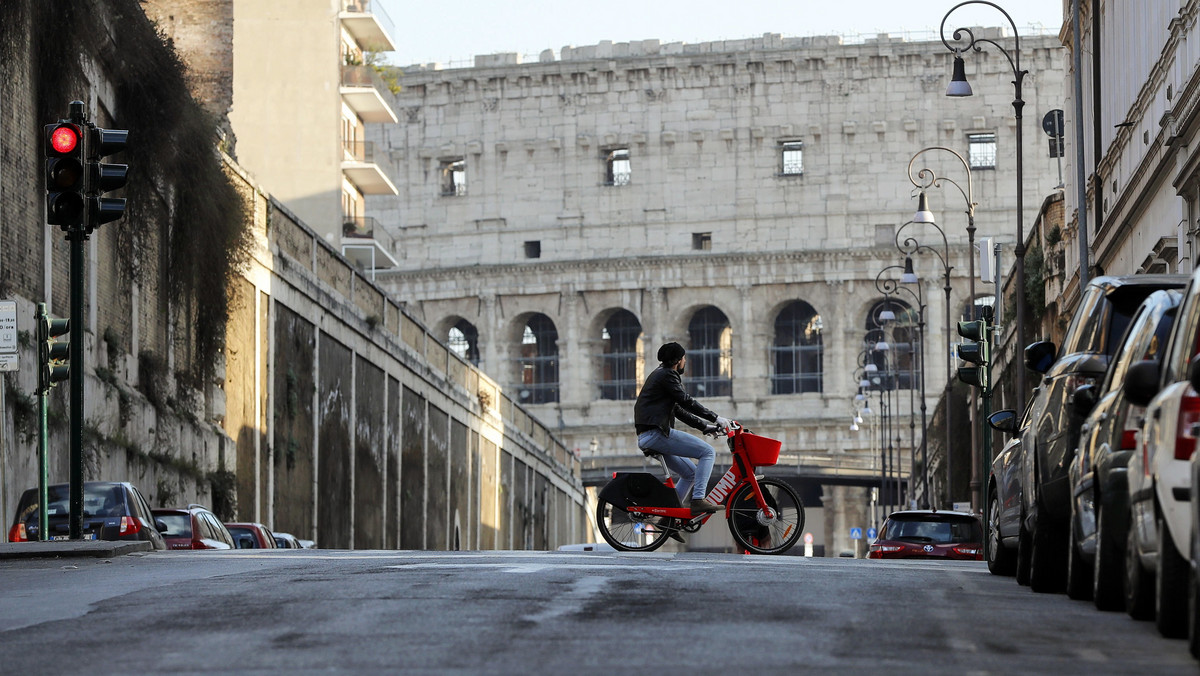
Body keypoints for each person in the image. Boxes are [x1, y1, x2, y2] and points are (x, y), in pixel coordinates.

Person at [633, 342, 733, 514]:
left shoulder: (659, 375)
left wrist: (705, 426)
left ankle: (669, 517)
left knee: (691, 474)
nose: (685, 362)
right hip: (656, 433)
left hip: (648, 435)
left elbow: (678, 411)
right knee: (708, 452)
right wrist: (717, 418)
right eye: (684, 358)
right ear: (678, 361)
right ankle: (698, 500)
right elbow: (686, 401)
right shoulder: (668, 375)